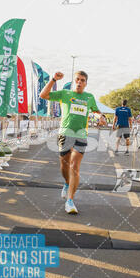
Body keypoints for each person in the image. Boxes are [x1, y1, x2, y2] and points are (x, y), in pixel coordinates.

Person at [40, 70, 101, 215]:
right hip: (65, 133)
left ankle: (70, 201)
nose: (79, 82)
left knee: (74, 166)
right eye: (77, 80)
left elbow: (96, 111)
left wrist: (100, 116)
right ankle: (67, 183)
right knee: (64, 165)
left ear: (86, 83)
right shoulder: (65, 94)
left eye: (82, 80)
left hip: (81, 134)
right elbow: (43, 95)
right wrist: (53, 80)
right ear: (74, 81)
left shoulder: (89, 97)